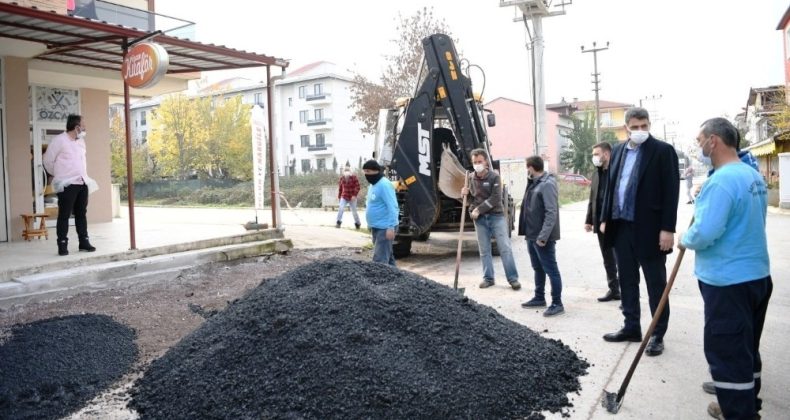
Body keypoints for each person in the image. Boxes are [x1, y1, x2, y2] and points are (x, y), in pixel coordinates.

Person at [680, 118, 771, 420]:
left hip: (728, 282)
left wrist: (685, 239)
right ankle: (746, 403)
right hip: (757, 277)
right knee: (746, 348)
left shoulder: (720, 180)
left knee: (728, 354)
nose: (700, 147)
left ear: (714, 141)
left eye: (700, 140)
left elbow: (705, 232)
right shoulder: (752, 175)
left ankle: (740, 413)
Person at [599, 107, 679, 356]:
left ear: (649, 124)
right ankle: (631, 326)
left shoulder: (663, 151)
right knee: (627, 280)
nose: (640, 131)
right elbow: (610, 186)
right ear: (627, 128)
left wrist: (668, 229)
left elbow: (671, 192)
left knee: (656, 284)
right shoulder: (619, 150)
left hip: (651, 229)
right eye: (635, 127)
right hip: (621, 226)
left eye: (644, 126)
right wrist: (604, 218)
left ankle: (657, 334)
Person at [461, 148, 520, 291]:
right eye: (474, 162)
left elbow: (495, 198)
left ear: (486, 161)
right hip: (479, 219)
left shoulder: (494, 177)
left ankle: (513, 279)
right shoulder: (470, 178)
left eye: (480, 161)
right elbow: (470, 200)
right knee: (484, 250)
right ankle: (488, 278)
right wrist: (464, 194)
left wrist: (478, 209)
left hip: (496, 216)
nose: (477, 164)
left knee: (504, 248)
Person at [42, 114, 97, 256]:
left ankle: (84, 242)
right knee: (64, 215)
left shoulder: (80, 142)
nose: (85, 128)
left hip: (82, 181)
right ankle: (62, 245)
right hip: (67, 184)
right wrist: (60, 174)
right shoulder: (59, 140)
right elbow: (48, 161)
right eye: (83, 125)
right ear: (76, 126)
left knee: (81, 214)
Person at [518, 155, 564, 317]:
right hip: (531, 235)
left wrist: (543, 237)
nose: (526, 170)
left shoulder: (547, 184)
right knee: (538, 268)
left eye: (527, 167)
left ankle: (557, 303)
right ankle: (539, 297)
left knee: (551, 270)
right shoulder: (534, 183)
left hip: (542, 238)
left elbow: (551, 212)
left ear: (531, 167)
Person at [585, 142, 620, 302]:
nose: (594, 158)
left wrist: (607, 219)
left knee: (621, 258)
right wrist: (589, 220)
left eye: (596, 154)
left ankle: (626, 292)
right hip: (599, 223)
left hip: (614, 222)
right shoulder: (597, 173)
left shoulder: (617, 171)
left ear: (606, 154)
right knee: (607, 258)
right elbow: (592, 198)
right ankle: (613, 289)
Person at [362, 160, 398, 266]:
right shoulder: (373, 185)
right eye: (364, 172)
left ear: (376, 171)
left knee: (379, 261)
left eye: (368, 171)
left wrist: (391, 227)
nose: (366, 175)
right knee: (388, 257)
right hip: (376, 227)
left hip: (385, 227)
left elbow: (393, 207)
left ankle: (379, 282)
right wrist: (370, 224)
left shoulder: (384, 185)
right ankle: (396, 280)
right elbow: (371, 204)